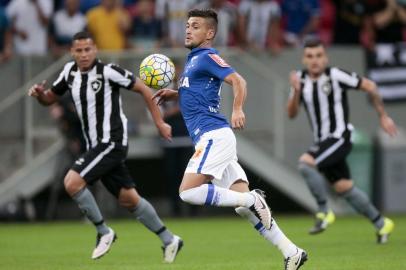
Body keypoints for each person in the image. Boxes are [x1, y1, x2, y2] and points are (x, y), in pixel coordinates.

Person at [153, 9, 307, 270]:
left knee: (188, 192)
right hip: (215, 139)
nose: (188, 30)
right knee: (244, 210)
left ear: (209, 33)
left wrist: (237, 108)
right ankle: (291, 252)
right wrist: (177, 93)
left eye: (196, 26)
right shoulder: (193, 60)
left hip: (214, 136)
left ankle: (252, 199)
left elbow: (239, 81)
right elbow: (199, 94)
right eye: (188, 25)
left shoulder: (207, 56)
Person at [27, 31, 183, 262]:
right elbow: (51, 97)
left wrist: (160, 122)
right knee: (130, 199)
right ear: (72, 52)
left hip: (111, 142)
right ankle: (170, 239)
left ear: (95, 50)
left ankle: (103, 231)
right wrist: (40, 95)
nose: (83, 54)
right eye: (78, 50)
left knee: (72, 182)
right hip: (95, 146)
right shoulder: (69, 73)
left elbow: (143, 88)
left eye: (87, 49)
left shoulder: (108, 71)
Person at [286, 38, 397, 243]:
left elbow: (370, 85)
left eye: (319, 56)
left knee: (305, 163)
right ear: (304, 59)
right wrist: (296, 93)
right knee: (344, 188)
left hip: (339, 137)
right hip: (323, 141)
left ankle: (323, 210)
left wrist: (382, 116)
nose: (315, 60)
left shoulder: (335, 75)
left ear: (325, 58)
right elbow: (291, 113)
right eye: (310, 56)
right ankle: (381, 223)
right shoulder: (299, 81)